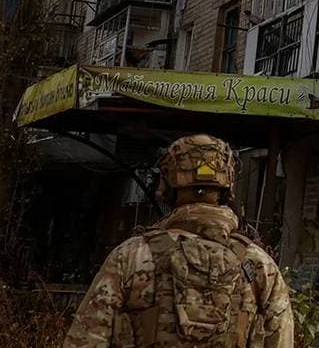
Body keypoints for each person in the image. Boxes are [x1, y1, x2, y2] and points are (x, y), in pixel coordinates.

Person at [62, 134, 293, 348]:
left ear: (168, 185)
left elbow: (85, 340)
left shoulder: (132, 256)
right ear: (227, 186)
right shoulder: (260, 266)